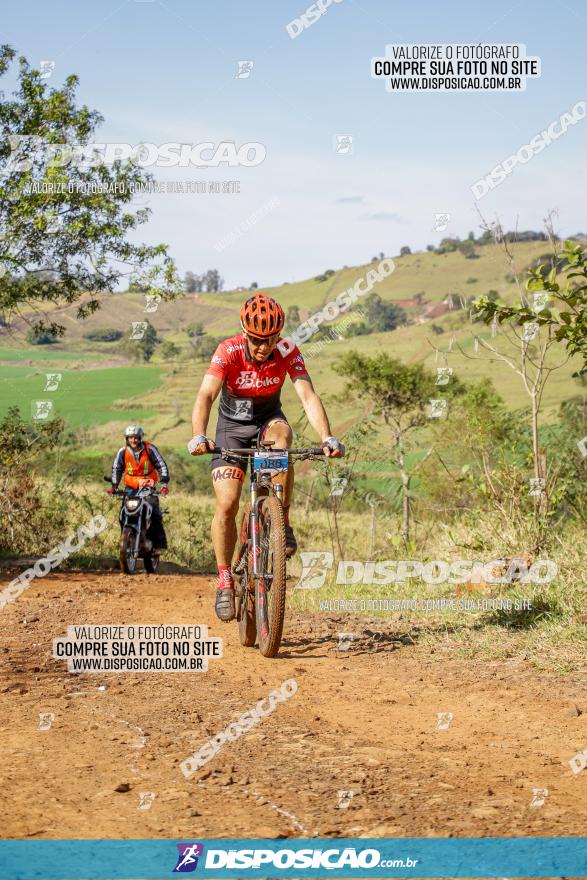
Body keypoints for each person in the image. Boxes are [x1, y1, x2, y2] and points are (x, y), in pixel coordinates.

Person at [187, 293, 344, 622]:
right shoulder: (227, 351)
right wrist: (199, 435)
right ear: (245, 334)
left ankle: (281, 520)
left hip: (267, 421)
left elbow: (307, 394)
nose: (263, 347)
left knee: (282, 440)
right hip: (231, 428)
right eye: (257, 340)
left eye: (269, 339)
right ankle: (225, 578)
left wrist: (327, 437)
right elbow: (206, 394)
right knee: (228, 504)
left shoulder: (286, 351)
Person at [108, 426, 169, 554]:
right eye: (131, 438)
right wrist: (114, 487)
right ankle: (126, 540)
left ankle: (158, 545)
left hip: (148, 486)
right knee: (123, 513)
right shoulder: (122, 452)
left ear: (140, 438)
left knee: (155, 512)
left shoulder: (149, 449)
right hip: (131, 487)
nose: (133, 440)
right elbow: (116, 469)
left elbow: (161, 465)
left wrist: (164, 484)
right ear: (127, 439)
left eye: (136, 438)